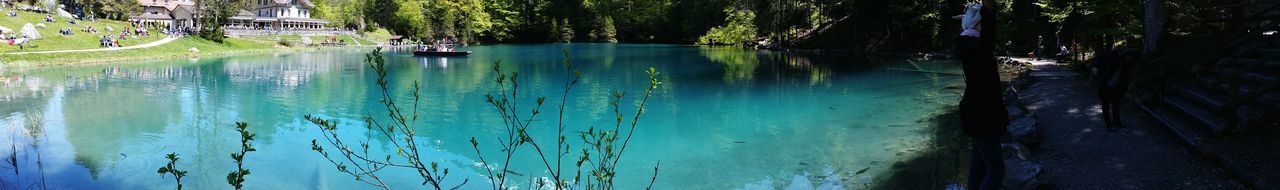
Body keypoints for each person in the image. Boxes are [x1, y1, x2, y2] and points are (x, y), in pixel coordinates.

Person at [953, 3, 1007, 190]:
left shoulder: (968, 45)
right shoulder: (978, 47)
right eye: (983, 23)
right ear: (978, 25)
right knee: (996, 171)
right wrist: (989, 12)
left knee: (978, 166)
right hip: (984, 115)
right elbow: (990, 26)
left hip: (973, 113)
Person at [1091, 47, 1139, 130]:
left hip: (1117, 87)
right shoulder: (1111, 59)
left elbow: (1126, 78)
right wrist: (1095, 67)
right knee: (1106, 105)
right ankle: (1109, 125)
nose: (1129, 59)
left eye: (1131, 58)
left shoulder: (1127, 65)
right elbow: (1098, 60)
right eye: (1128, 57)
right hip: (1105, 85)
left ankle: (1117, 122)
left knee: (1116, 104)